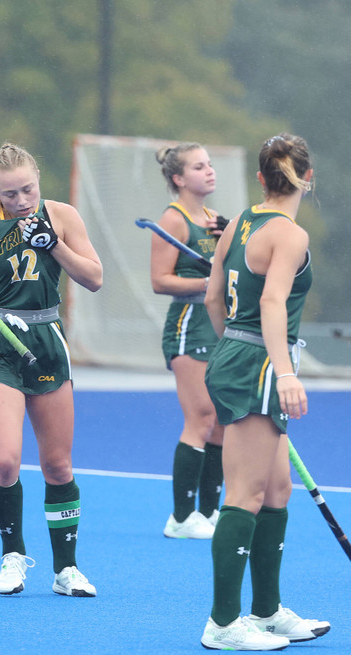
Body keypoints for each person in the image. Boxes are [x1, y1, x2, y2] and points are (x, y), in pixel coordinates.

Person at [0, 143, 103, 598]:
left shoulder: (62, 215)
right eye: (10, 194)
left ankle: (66, 569)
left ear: (38, 181)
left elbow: (93, 277)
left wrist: (55, 245)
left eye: (28, 189)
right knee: (6, 461)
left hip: (46, 340)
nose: (22, 200)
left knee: (57, 464)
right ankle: (12, 554)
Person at [200, 133, 330, 650]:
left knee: (276, 491)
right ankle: (222, 624)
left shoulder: (240, 221)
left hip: (239, 354)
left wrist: (234, 345)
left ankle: (267, 612)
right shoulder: (289, 234)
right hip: (260, 366)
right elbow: (273, 302)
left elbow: (213, 297)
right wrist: (285, 372)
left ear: (260, 178)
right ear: (307, 177)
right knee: (245, 495)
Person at [150, 143, 227, 540]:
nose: (209, 171)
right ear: (179, 178)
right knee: (201, 417)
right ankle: (181, 517)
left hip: (220, 326)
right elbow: (160, 280)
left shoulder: (214, 219)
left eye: (209, 164)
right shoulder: (173, 219)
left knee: (222, 423)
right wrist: (207, 281)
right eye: (199, 167)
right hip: (189, 325)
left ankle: (209, 513)